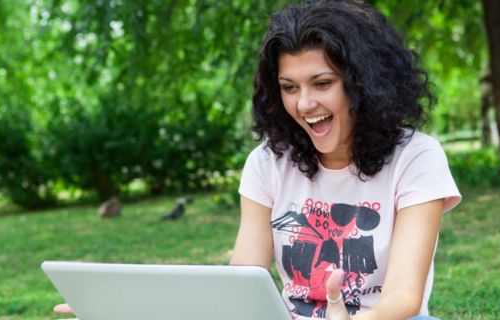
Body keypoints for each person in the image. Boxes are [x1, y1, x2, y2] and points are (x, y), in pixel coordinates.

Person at [54, 0, 460, 319]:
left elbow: (405, 296)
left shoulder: (416, 157)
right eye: (288, 87)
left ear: (365, 84)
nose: (304, 104)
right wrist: (130, 313)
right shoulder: (268, 162)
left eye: (322, 83)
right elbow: (243, 280)